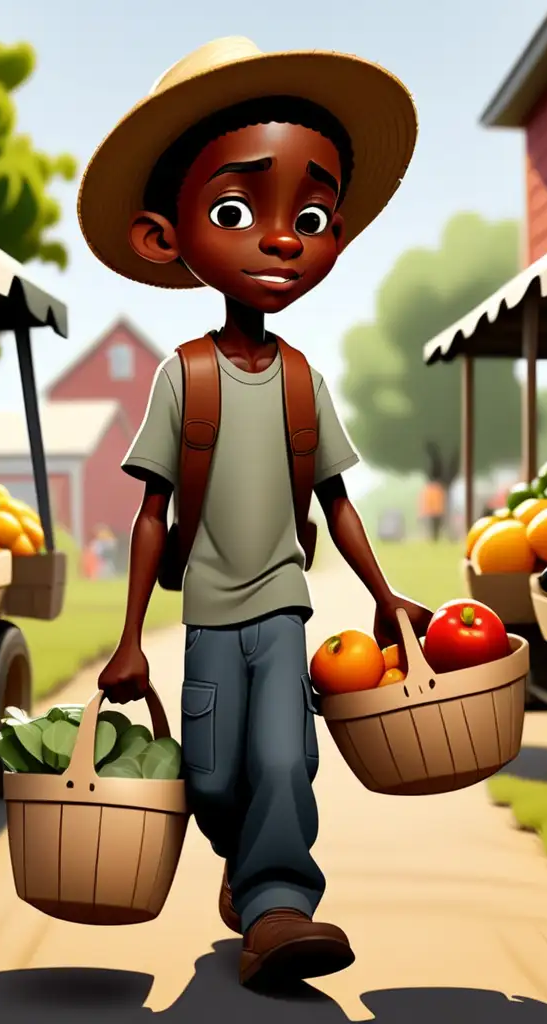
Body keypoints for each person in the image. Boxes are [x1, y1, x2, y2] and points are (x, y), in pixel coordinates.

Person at [79, 36, 434, 989]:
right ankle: (249, 871)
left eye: (311, 215)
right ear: (167, 237)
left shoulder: (303, 384)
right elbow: (151, 514)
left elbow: (339, 501)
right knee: (212, 779)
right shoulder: (182, 378)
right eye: (236, 211)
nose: (281, 239)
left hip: (281, 608)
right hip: (205, 614)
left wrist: (388, 594)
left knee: (284, 757)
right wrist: (126, 638)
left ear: (335, 233)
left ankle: (280, 902)